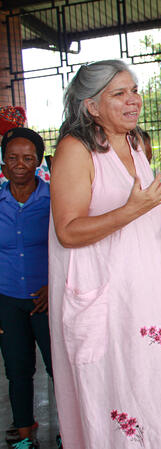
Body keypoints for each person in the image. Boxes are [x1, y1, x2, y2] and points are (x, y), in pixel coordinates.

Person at [48, 59, 161, 448]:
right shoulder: (76, 150)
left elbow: (141, 211)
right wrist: (135, 210)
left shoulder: (130, 143)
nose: (134, 100)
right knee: (121, 397)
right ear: (91, 106)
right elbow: (68, 230)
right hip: (110, 304)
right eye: (120, 93)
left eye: (135, 90)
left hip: (147, 297)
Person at [0, 128, 56, 449]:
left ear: (38, 163)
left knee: (58, 370)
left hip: (47, 300)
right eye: (12, 158)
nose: (20, 164)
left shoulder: (53, 199)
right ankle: (24, 439)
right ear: (3, 164)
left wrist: (53, 286)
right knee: (17, 372)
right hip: (7, 301)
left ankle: (68, 433)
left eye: (27, 158)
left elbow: (66, 246)